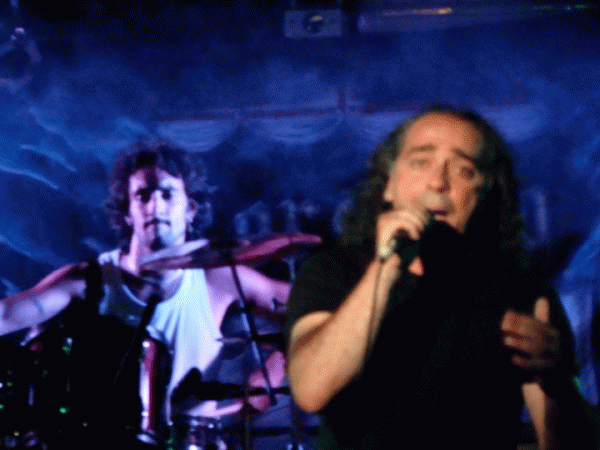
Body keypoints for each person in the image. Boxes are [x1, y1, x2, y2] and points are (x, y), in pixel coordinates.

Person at [285, 106, 597, 449]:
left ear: (481, 196)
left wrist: (556, 382)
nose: (438, 182)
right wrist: (385, 269)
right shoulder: (332, 271)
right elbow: (311, 390)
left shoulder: (519, 290)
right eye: (421, 162)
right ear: (388, 186)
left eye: (463, 170)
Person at [0, 139, 290, 449]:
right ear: (128, 212)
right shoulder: (90, 281)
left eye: (167, 194)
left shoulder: (217, 279)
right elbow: (6, 315)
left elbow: (307, 311)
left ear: (190, 209)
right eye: (143, 195)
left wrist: (266, 381)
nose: (155, 206)